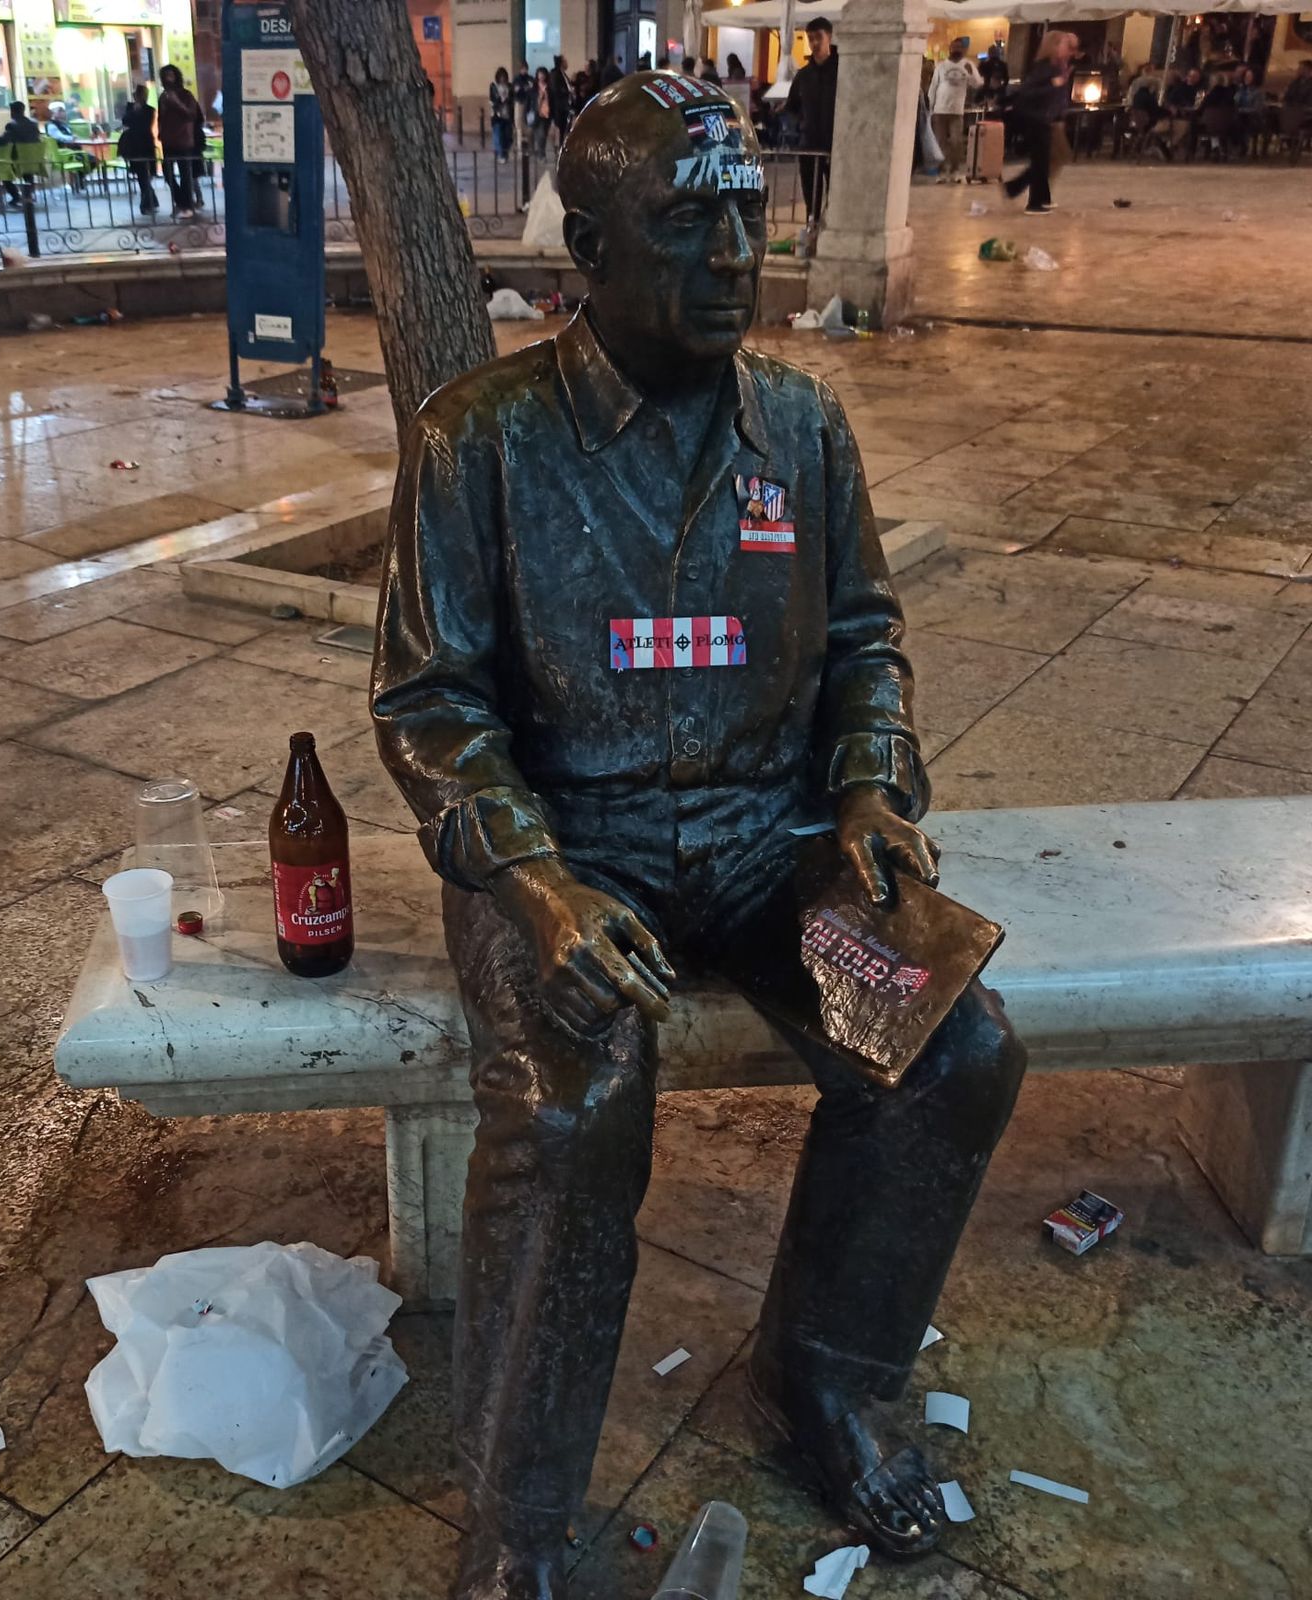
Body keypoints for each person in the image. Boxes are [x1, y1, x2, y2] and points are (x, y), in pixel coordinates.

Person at [372, 68, 1026, 1600]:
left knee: (952, 1051)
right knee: (577, 1109)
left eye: (747, 215)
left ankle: (821, 1383)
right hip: (563, 852)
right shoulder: (479, 442)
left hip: (765, 844)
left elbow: (864, 640)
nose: (737, 255)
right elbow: (430, 704)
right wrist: (535, 888)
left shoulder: (798, 424)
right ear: (589, 251)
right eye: (688, 223)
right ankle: (520, 1519)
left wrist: (870, 791)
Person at [1003, 28, 1076, 215]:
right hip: (1035, 119)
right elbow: (1027, 92)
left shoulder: (1055, 67)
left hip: (1044, 118)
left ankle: (1040, 197)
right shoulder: (1044, 68)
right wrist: (1054, 84)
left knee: (1044, 160)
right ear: (1053, 46)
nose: (1068, 48)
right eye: (1064, 44)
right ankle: (1033, 202)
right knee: (1041, 160)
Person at [789, 18, 840, 223]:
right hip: (809, 144)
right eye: (811, 39)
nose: (815, 43)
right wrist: (803, 124)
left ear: (829, 37)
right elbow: (793, 105)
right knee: (811, 195)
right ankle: (812, 226)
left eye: (819, 37)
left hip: (836, 145)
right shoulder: (803, 75)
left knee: (837, 196)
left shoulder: (842, 71)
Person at [157, 63, 205, 219]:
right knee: (168, 173)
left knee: (185, 174)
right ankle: (182, 202)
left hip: (184, 140)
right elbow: (161, 117)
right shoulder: (163, 97)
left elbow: (192, 115)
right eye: (165, 76)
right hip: (168, 140)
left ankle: (187, 205)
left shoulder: (186, 95)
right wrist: (160, 132)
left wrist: (177, 103)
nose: (168, 79)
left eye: (171, 75)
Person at [930, 39, 981, 181]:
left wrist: (971, 73)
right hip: (940, 110)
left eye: (960, 47)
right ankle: (941, 172)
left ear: (963, 49)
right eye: (954, 47)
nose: (957, 49)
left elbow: (977, 84)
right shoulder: (941, 66)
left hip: (957, 110)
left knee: (956, 142)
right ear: (950, 48)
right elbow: (933, 87)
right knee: (940, 142)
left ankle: (955, 170)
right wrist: (931, 107)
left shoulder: (968, 64)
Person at [0, 99, 40, 206]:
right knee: (27, 172)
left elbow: (4, 140)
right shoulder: (34, 124)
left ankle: (16, 197)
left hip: (17, 161)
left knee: (4, 173)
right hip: (33, 160)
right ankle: (27, 195)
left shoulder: (12, 125)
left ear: (12, 111)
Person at [119, 82, 159, 215]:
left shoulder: (150, 110)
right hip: (134, 145)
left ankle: (148, 202)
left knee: (147, 174)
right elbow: (125, 121)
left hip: (146, 144)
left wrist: (138, 113)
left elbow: (146, 125)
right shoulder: (130, 108)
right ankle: (148, 202)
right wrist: (134, 111)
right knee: (141, 175)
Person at [490, 66, 514, 162]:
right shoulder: (493, 87)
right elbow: (492, 100)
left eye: (504, 76)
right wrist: (500, 100)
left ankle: (505, 152)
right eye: (500, 76)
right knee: (498, 135)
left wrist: (507, 99)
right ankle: (501, 154)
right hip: (497, 115)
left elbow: (512, 99)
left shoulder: (510, 86)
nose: (502, 79)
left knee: (508, 136)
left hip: (508, 115)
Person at [530, 65, 553, 160]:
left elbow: (553, 101)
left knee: (544, 134)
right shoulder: (534, 88)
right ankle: (541, 154)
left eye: (543, 74)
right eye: (540, 74)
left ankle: (541, 152)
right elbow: (529, 101)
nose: (541, 76)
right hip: (537, 113)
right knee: (540, 134)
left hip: (547, 114)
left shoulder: (549, 88)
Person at [549, 55, 573, 144]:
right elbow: (556, 89)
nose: (567, 63)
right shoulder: (555, 74)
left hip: (566, 105)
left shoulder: (564, 74)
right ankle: (559, 146)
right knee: (560, 129)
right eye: (565, 61)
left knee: (565, 128)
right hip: (559, 107)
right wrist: (568, 91)